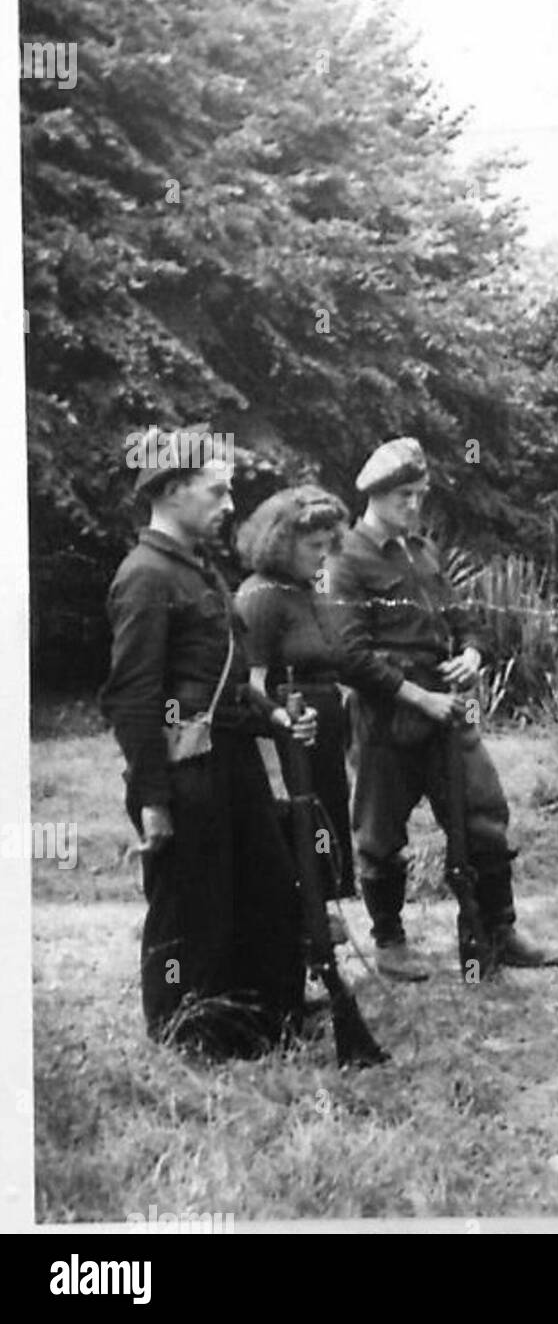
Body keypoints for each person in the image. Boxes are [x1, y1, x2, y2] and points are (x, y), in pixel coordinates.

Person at [100, 434, 313, 1057]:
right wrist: (152, 798)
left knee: (265, 890)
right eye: (216, 490)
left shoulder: (198, 569)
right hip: (185, 767)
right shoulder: (144, 576)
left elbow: (224, 678)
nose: (229, 504)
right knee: (192, 903)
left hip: (231, 759)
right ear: (170, 491)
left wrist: (275, 716)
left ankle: (261, 1025)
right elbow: (132, 697)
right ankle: (184, 1032)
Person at [327, 437, 558, 980]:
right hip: (388, 713)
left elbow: (465, 620)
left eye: (419, 495)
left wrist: (474, 655)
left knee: (483, 813)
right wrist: (417, 696)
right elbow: (349, 655)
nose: (413, 506)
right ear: (375, 495)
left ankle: (497, 929)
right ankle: (389, 940)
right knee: (380, 834)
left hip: (447, 706)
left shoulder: (423, 554)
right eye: (403, 496)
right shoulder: (346, 559)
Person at [235, 486, 361, 928]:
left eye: (329, 545)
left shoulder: (309, 589)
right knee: (301, 829)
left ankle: (321, 917)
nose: (324, 555)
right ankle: (302, 929)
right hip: (288, 738)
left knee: (326, 824)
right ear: (281, 543)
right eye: (313, 546)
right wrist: (281, 723)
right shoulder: (262, 595)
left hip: (323, 737)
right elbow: (248, 683)